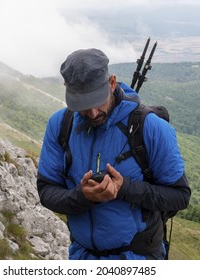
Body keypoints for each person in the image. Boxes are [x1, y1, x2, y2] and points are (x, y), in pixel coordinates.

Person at [36, 48, 191, 260]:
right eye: (82, 105)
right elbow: (46, 191)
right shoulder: (60, 125)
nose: (92, 113)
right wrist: (83, 197)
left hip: (138, 257)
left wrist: (125, 188)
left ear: (111, 83)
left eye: (97, 101)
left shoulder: (151, 128)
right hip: (82, 255)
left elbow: (180, 197)